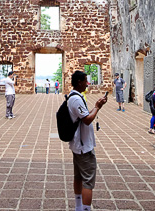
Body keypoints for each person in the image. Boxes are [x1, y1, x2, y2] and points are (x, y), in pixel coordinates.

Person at [68, 70, 107, 211]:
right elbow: (86, 120)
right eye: (85, 80)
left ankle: (78, 207)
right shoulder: (76, 99)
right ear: (79, 82)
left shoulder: (74, 96)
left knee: (78, 177)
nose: (87, 83)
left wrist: (94, 107)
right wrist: (98, 107)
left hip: (78, 145)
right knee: (88, 182)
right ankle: (85, 208)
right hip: (84, 146)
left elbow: (83, 115)